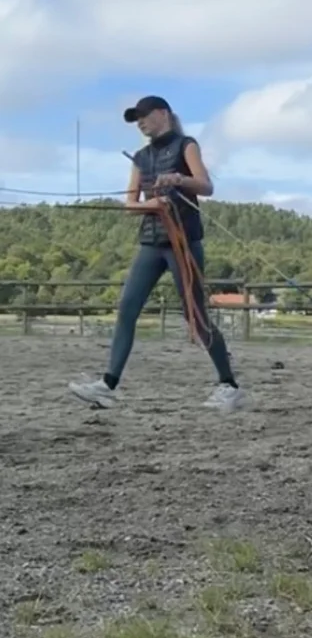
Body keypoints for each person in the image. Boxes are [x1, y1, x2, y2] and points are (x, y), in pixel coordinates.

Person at [69, 95, 245, 413]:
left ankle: (228, 385)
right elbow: (130, 204)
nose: (140, 122)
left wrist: (178, 179)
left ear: (163, 114)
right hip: (151, 244)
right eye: (136, 118)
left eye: (144, 116)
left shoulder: (185, 145)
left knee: (196, 316)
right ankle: (108, 385)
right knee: (127, 308)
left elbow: (205, 186)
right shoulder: (140, 158)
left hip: (182, 243)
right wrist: (154, 205)